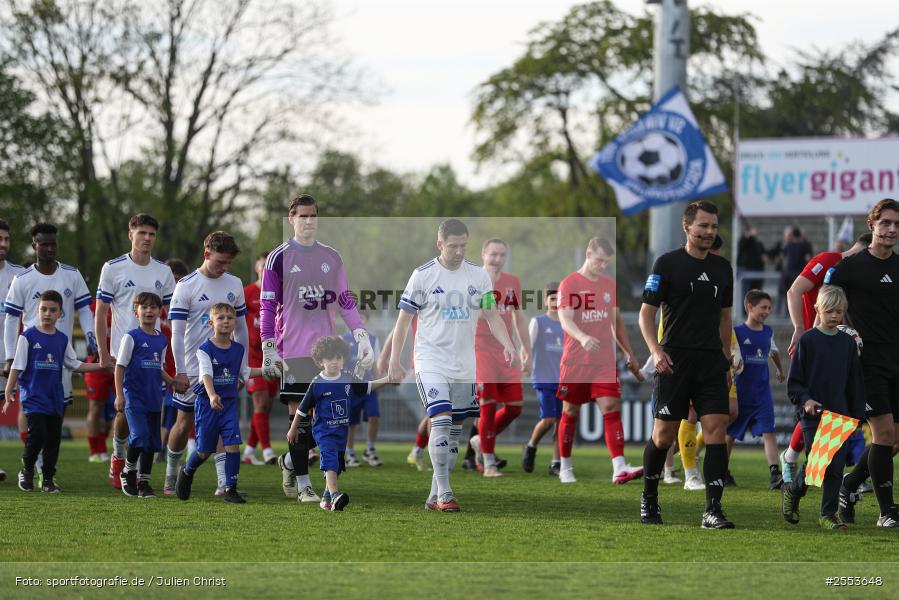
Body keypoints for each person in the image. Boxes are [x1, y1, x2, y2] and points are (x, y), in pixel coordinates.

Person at [387, 218, 516, 512]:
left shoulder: (478, 276)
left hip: (464, 364)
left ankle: (434, 494)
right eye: (453, 246)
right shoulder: (422, 276)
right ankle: (446, 492)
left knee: (455, 431)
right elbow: (403, 322)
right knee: (441, 421)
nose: (458, 251)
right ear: (440, 244)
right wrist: (394, 360)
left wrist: (507, 342)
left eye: (463, 246)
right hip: (430, 360)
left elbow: (492, 315)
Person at [261, 194, 373, 502]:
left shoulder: (332, 257)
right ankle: (304, 486)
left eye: (313, 216)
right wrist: (268, 346)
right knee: (299, 417)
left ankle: (289, 461)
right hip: (293, 350)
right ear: (291, 219)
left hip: (326, 353)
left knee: (329, 420)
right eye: (302, 216)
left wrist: (360, 334)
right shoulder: (278, 258)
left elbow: (345, 300)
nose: (308, 221)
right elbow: (267, 306)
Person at [638, 200, 735, 529]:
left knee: (716, 432)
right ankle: (649, 499)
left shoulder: (723, 269)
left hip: (710, 363)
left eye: (713, 226)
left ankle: (713, 510)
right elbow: (645, 314)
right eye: (703, 226)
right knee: (663, 436)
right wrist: (655, 351)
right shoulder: (666, 264)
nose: (709, 232)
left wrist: (725, 360)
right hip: (674, 362)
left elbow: (725, 318)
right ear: (687, 227)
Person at [3, 223, 96, 486]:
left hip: (60, 359)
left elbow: (85, 310)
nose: (49, 248)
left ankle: (44, 469)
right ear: (34, 245)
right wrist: (11, 356)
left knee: (54, 422)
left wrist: (90, 337)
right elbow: (11, 318)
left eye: (53, 243)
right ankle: (34, 467)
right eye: (44, 243)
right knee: (36, 420)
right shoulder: (22, 280)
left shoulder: (72, 275)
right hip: (32, 362)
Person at [826, 198, 899, 527]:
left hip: (896, 359)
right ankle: (887, 512)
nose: (892, 230)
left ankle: (849, 485)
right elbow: (825, 307)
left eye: (897, 225)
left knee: (894, 440)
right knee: (882, 433)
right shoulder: (848, 268)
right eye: (885, 223)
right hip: (865, 363)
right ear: (871, 226)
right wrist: (840, 334)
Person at [781, 232, 872, 483]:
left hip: (842, 346)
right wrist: (800, 328)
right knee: (816, 404)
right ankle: (794, 461)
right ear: (864, 250)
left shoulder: (859, 275)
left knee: (841, 406)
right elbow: (794, 291)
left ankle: (834, 469)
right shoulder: (829, 259)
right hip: (815, 346)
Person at [164, 232, 249, 497]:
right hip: (193, 369)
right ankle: (171, 474)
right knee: (183, 423)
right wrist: (180, 371)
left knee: (226, 424)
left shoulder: (234, 284)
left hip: (225, 369)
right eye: (220, 262)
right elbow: (176, 333)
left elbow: (243, 331)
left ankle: (224, 483)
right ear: (206, 254)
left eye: (228, 264)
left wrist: (242, 368)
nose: (224, 268)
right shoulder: (186, 286)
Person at [95, 214, 177, 488]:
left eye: (152, 234)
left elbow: (175, 315)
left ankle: (138, 472)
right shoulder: (113, 268)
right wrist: (104, 351)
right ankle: (118, 457)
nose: (147, 239)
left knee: (150, 415)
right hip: (123, 354)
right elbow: (102, 311)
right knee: (124, 413)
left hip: (153, 355)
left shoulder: (162, 272)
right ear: (131, 234)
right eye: (142, 233)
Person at [555, 237, 643, 485]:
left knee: (611, 408)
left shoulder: (608, 285)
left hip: (604, 361)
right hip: (576, 361)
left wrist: (628, 351)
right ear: (588, 253)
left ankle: (619, 467)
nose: (603, 265)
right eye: (599, 260)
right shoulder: (570, 283)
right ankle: (565, 466)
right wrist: (582, 338)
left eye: (606, 262)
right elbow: (566, 320)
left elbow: (615, 322)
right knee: (571, 411)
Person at [2, 291, 104, 492]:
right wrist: (9, 391)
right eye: (43, 309)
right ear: (37, 311)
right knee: (37, 434)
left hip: (55, 399)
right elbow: (17, 366)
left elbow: (74, 364)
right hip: (33, 397)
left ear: (60, 314)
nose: (47, 313)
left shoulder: (62, 339)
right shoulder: (27, 336)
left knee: (53, 440)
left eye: (52, 310)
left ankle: (48, 479)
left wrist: (101, 366)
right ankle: (27, 470)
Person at [781, 285, 865, 529]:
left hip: (840, 414)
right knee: (817, 464)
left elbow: (854, 382)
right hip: (813, 414)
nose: (835, 317)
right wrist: (806, 400)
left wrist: (857, 414)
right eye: (830, 312)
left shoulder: (848, 344)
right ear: (818, 309)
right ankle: (794, 492)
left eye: (839, 312)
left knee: (836, 466)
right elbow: (795, 382)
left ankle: (827, 515)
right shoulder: (807, 340)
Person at [175, 303, 266, 503]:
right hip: (208, 405)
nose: (225, 321)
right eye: (220, 318)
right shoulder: (204, 349)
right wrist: (212, 395)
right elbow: (205, 374)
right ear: (210, 323)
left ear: (235, 323)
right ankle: (187, 471)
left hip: (229, 405)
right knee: (204, 451)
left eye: (230, 318)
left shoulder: (239, 349)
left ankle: (230, 489)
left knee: (232, 444)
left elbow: (244, 372)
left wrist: (268, 370)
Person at [288, 336, 390, 511]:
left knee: (337, 464)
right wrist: (293, 429)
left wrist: (388, 379)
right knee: (330, 461)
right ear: (320, 361)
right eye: (329, 358)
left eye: (338, 358)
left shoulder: (348, 378)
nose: (334, 362)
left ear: (343, 358)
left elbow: (366, 388)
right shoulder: (317, 383)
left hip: (341, 433)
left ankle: (327, 498)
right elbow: (301, 409)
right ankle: (335, 495)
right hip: (323, 432)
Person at [471, 238, 531, 478]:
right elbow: (476, 314)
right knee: (487, 406)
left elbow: (518, 317)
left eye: (502, 255)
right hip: (481, 349)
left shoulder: (512, 282)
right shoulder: (472, 280)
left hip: (507, 350)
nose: (497, 259)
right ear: (483, 254)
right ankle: (488, 463)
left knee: (515, 407)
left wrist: (526, 349)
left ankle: (479, 440)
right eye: (493, 254)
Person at [114, 292, 174, 498]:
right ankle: (128, 471)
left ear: (160, 311)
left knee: (152, 442)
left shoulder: (163, 339)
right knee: (139, 435)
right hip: (134, 396)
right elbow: (120, 367)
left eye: (153, 307)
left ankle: (144, 484)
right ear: (136, 311)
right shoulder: (131, 337)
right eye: (144, 307)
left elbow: (159, 367)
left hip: (154, 397)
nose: (149, 311)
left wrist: (172, 381)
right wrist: (119, 395)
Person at [725, 290, 785, 489]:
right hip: (741, 393)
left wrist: (779, 369)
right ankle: (721, 470)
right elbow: (730, 355)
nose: (767, 312)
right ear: (749, 307)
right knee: (730, 434)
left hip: (762, 393)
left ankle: (775, 474)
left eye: (769, 308)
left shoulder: (768, 332)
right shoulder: (737, 332)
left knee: (769, 432)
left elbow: (773, 350)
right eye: (763, 307)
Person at [522, 283, 563, 476]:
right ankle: (530, 446)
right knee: (548, 419)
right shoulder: (538, 321)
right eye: (552, 298)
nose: (556, 302)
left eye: (559, 298)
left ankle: (556, 463)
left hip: (564, 380)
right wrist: (525, 361)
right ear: (546, 300)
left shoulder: (568, 323)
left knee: (561, 422)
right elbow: (527, 345)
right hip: (544, 378)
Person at [242, 251, 278, 466]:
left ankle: (248, 450)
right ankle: (267, 451)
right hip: (253, 358)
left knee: (266, 407)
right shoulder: (247, 293)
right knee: (261, 403)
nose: (266, 270)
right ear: (257, 267)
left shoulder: (278, 294)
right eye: (263, 265)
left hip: (273, 356)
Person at [340, 309, 382, 467]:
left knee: (374, 416)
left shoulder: (372, 339)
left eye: (362, 318)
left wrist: (378, 381)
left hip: (368, 385)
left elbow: (376, 362)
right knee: (351, 422)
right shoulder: (342, 339)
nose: (360, 321)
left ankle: (370, 449)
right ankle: (350, 452)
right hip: (350, 387)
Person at [0, 219, 25, 482]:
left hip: (10, 357)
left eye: (6, 239)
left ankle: (36, 467)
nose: (3, 244)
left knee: (28, 409)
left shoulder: (19, 275)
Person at [160, 258, 189, 460]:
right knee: (154, 410)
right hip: (156, 366)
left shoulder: (187, 306)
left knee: (174, 413)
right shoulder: (153, 307)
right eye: (171, 279)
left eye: (179, 279)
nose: (174, 284)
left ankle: (163, 451)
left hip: (177, 368)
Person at [736, 224, 765, 307]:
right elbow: (743, 247)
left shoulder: (756, 243)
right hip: (746, 270)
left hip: (756, 269)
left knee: (755, 291)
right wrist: (749, 236)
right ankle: (744, 309)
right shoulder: (743, 240)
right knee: (746, 291)